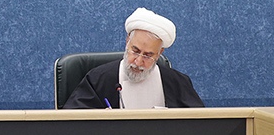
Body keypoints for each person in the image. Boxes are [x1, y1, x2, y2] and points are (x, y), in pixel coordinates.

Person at [64, 7, 203, 109]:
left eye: (148, 55)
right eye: (135, 51)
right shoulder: (98, 79)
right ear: (127, 42)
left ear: (159, 53)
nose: (138, 61)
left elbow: (198, 124)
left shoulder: (177, 83)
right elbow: (72, 123)